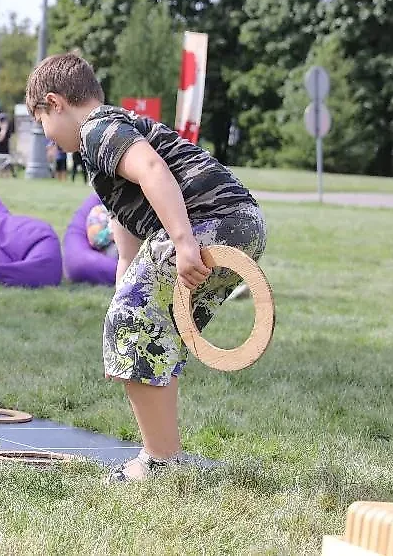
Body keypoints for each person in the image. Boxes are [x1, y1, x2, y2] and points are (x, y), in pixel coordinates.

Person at [24, 52, 266, 483]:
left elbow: (153, 169)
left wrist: (184, 242)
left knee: (134, 325)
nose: (46, 137)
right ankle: (165, 457)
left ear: (55, 102)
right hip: (241, 224)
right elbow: (126, 220)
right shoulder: (106, 137)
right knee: (149, 327)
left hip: (213, 222)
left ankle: (159, 462)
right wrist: (124, 285)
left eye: (40, 120)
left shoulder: (98, 129)